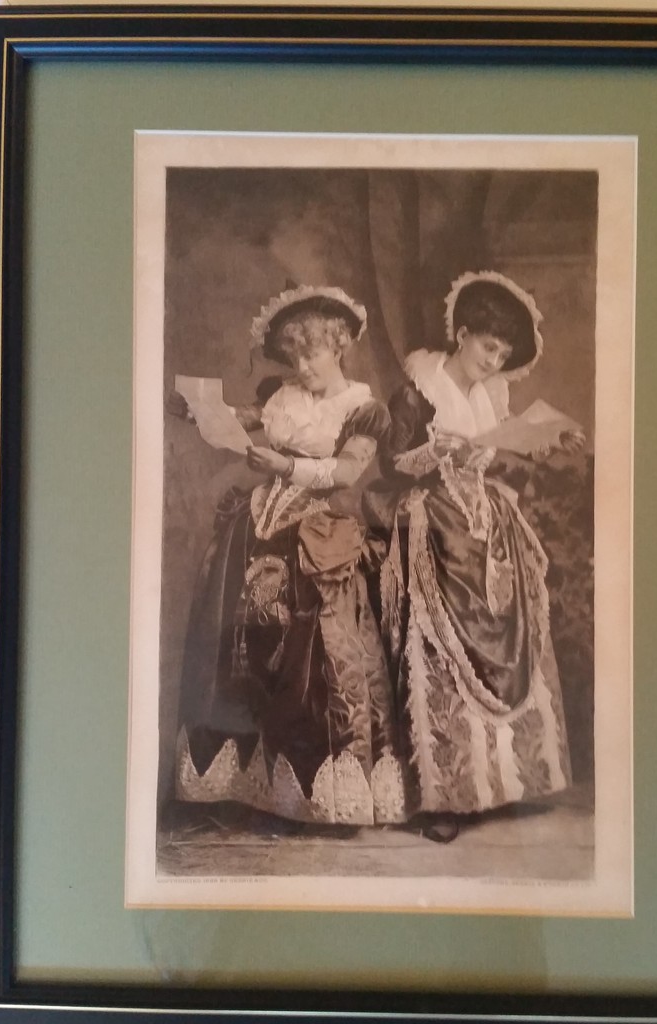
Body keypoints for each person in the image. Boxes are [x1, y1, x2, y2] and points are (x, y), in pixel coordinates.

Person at [174, 284, 406, 827]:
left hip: (318, 532)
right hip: (259, 525)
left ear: (339, 345)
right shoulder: (283, 396)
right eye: (294, 357)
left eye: (313, 353)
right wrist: (199, 410)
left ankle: (315, 790)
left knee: (317, 651)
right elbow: (241, 417)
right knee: (243, 637)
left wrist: (285, 467)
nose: (303, 366)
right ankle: (245, 782)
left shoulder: (364, 408)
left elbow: (347, 471)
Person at [370, 271, 581, 841]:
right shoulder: (416, 391)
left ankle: (501, 784)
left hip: (487, 523)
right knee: (442, 648)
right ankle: (445, 795)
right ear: (461, 334)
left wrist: (545, 440)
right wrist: (438, 451)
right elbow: (391, 463)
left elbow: (502, 450)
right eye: (489, 347)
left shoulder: (492, 397)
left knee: (511, 625)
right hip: (435, 526)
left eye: (504, 354)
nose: (494, 361)